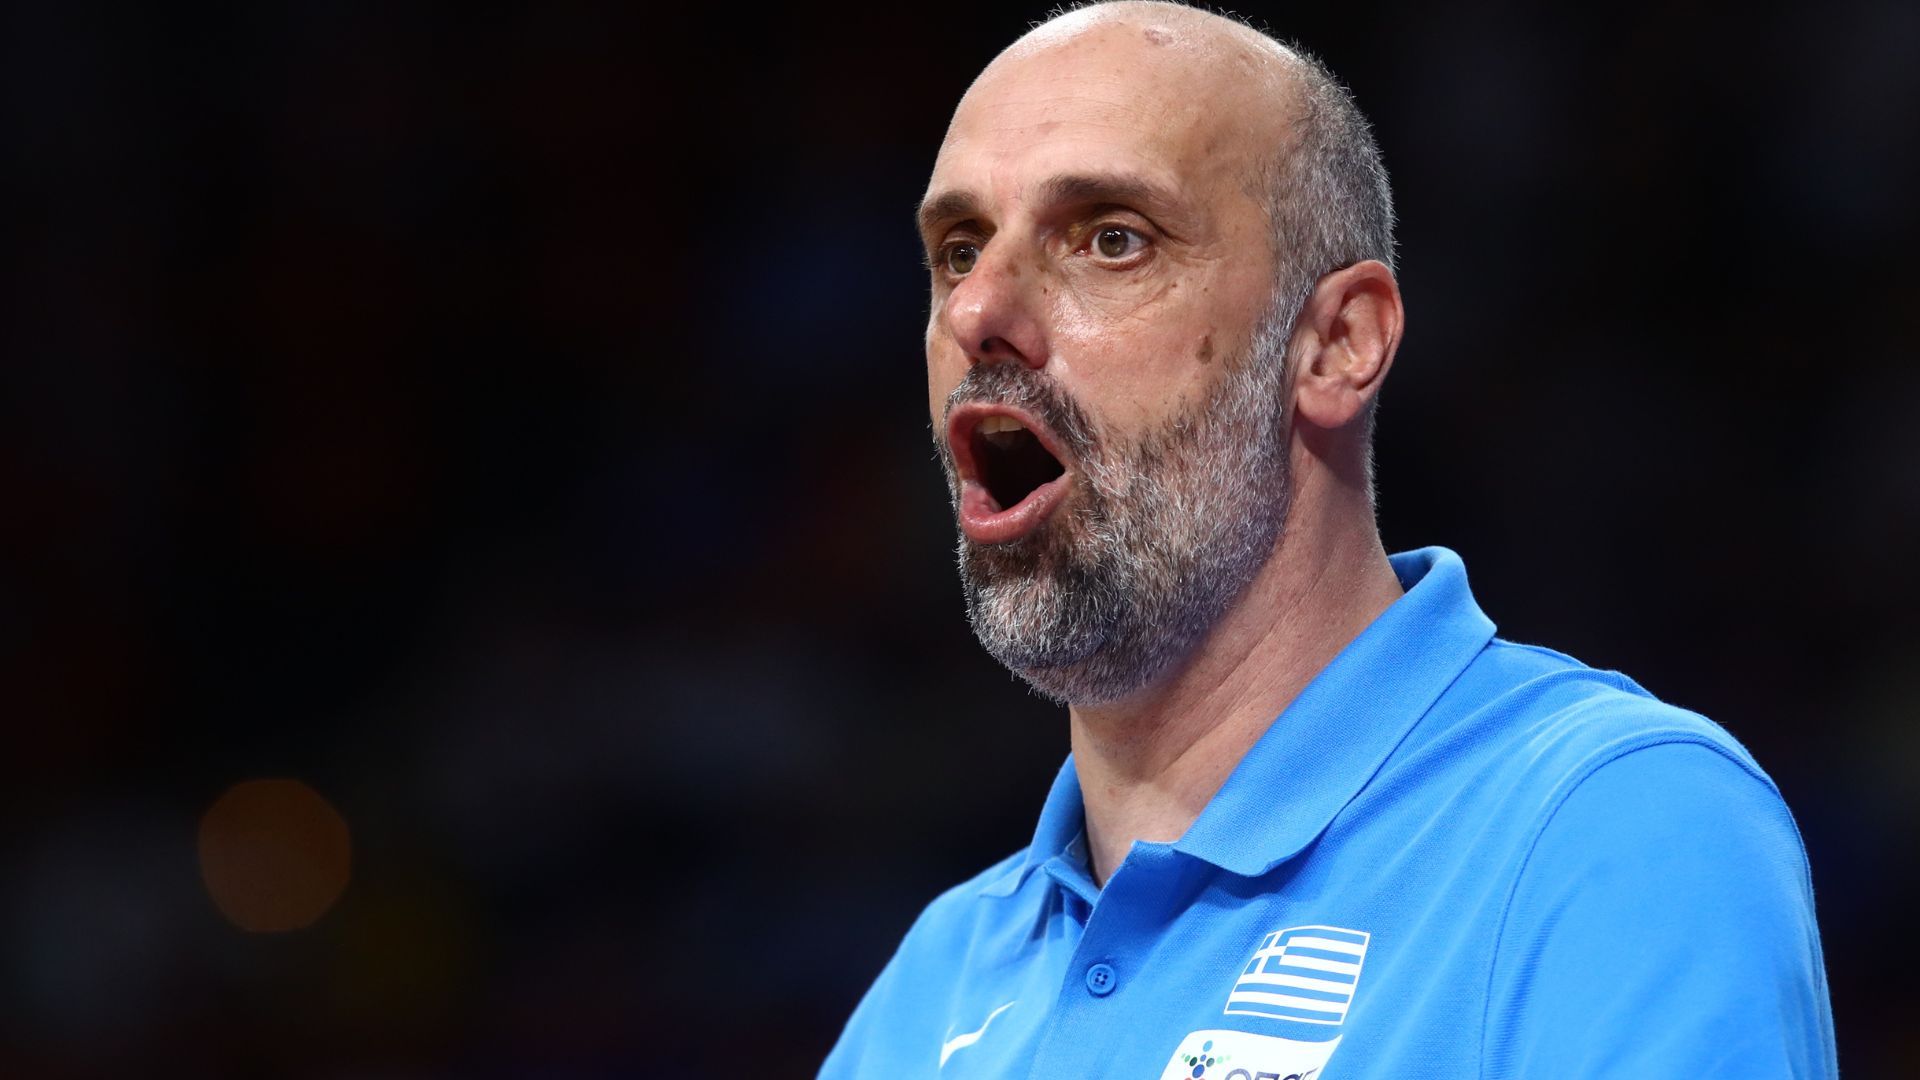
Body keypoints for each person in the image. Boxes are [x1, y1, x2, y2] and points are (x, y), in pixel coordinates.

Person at [821, 2, 1838, 1076]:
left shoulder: (1610, 831)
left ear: (1337, 344)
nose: (978, 310)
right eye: (959, 250)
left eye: (1112, 239)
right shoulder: (932, 989)